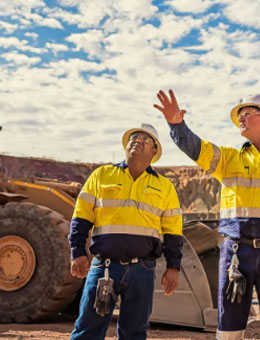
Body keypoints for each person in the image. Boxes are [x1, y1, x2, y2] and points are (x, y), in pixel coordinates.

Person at [154, 90, 260, 340]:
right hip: (236, 253)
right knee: (229, 328)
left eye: (246, 114)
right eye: (240, 115)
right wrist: (176, 125)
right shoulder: (228, 158)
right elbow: (195, 147)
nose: (241, 120)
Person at [68, 123, 183, 340]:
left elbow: (173, 231)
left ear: (155, 151)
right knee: (87, 331)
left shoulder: (165, 187)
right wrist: (77, 252)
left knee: (135, 333)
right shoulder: (102, 175)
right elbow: (81, 218)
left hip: (143, 270)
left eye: (145, 139)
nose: (138, 141)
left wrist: (173, 267)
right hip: (104, 266)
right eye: (134, 137)